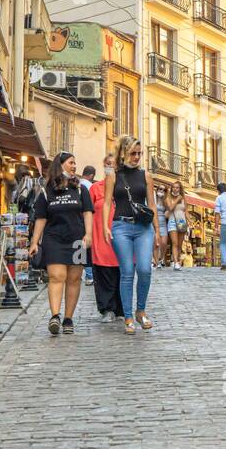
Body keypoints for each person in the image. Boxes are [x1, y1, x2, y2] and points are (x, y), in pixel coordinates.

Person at [30, 152, 92, 336]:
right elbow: (41, 218)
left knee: (74, 279)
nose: (74, 166)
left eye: (75, 163)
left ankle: (68, 318)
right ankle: (55, 316)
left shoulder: (81, 189)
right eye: (71, 163)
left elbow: (88, 212)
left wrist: (89, 234)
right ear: (61, 164)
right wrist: (34, 242)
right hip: (54, 239)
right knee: (57, 276)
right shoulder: (46, 190)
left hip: (77, 240)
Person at [104, 135, 159, 334]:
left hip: (144, 228)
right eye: (133, 153)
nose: (137, 157)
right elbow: (107, 202)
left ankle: (140, 310)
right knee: (127, 271)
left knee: (144, 269)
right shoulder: (113, 175)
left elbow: (151, 204)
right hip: (121, 227)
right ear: (123, 153)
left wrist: (158, 230)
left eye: (139, 153)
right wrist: (105, 226)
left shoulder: (146, 175)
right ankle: (127, 316)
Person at [88, 154, 124, 322]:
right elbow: (87, 213)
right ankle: (107, 308)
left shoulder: (123, 188)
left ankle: (121, 308)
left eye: (114, 164)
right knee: (103, 272)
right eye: (108, 164)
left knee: (122, 271)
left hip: (121, 234)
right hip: (101, 235)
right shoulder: (95, 188)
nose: (110, 166)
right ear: (103, 165)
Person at [158, 179, 188, 269]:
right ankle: (175, 263)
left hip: (182, 222)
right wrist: (177, 199)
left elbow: (186, 211)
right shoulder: (167, 198)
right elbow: (170, 208)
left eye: (177, 188)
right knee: (174, 243)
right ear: (171, 189)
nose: (175, 189)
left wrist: (189, 222)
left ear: (180, 189)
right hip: (172, 221)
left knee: (179, 244)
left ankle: (177, 260)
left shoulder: (183, 198)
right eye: (174, 187)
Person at [80, 166, 97, 286]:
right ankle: (90, 275)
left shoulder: (76, 184)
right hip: (87, 220)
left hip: (76, 220)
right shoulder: (91, 187)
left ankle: (78, 274)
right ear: (91, 176)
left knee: (80, 248)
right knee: (88, 249)